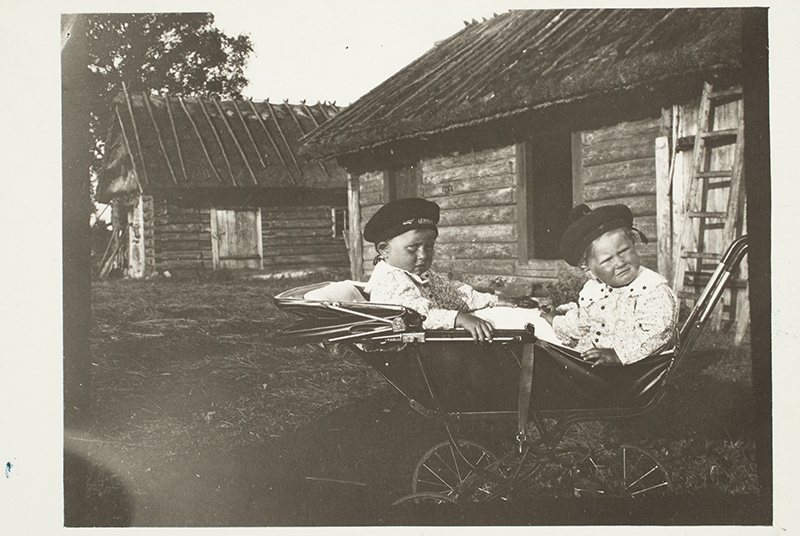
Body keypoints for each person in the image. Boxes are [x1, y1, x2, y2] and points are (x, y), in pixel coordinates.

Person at [363, 197, 556, 342]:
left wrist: (496, 301)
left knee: (517, 317)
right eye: (413, 248)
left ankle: (558, 337)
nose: (423, 255)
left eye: (429, 247)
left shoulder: (421, 275)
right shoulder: (390, 281)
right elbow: (411, 314)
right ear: (384, 250)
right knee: (507, 326)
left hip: (439, 338)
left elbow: (456, 294)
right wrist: (459, 318)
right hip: (419, 346)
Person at [540, 203, 679, 366]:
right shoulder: (598, 292)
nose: (620, 263)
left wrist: (618, 355)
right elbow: (582, 323)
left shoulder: (651, 291)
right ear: (590, 271)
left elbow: (657, 333)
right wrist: (556, 318)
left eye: (624, 251)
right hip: (598, 363)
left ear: (633, 246)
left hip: (633, 369)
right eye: (607, 260)